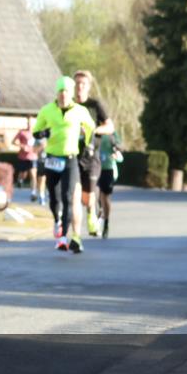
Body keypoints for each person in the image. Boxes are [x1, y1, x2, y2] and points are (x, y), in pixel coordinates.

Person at [32, 76, 95, 253]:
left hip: (70, 159)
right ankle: (57, 220)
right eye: (61, 91)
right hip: (52, 158)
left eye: (67, 91)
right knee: (54, 197)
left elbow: (91, 127)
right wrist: (43, 132)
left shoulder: (80, 110)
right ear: (57, 93)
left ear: (71, 93)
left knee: (68, 197)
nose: (63, 95)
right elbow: (35, 131)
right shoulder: (47, 110)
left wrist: (89, 145)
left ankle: (63, 236)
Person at [73, 70, 113, 236]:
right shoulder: (69, 104)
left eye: (83, 84)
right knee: (75, 195)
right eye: (77, 83)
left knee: (88, 198)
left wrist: (93, 130)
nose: (80, 87)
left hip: (91, 157)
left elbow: (110, 127)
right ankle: (75, 233)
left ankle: (95, 214)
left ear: (88, 86)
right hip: (72, 155)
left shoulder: (95, 105)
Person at [97, 131, 123, 239]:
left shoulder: (112, 134)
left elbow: (120, 152)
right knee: (96, 196)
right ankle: (98, 217)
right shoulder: (91, 129)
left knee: (105, 196)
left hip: (108, 169)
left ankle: (105, 222)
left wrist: (116, 151)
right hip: (94, 168)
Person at [12, 121, 39, 202]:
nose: (30, 124)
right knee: (23, 174)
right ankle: (20, 180)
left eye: (31, 122)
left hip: (33, 157)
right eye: (28, 122)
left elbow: (40, 143)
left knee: (33, 175)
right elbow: (13, 142)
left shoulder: (36, 132)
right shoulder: (22, 132)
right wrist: (22, 146)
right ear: (26, 123)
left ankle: (33, 193)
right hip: (23, 157)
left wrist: (37, 149)